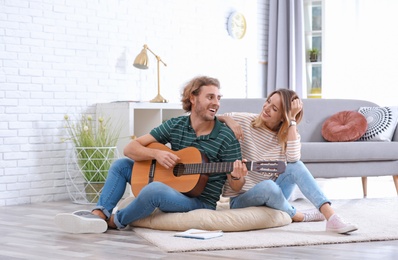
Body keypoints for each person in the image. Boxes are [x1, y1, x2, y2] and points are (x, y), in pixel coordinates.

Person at [55, 76, 247, 234]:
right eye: (210, 97)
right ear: (193, 98)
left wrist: (238, 175)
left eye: (218, 98)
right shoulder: (176, 125)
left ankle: (115, 221)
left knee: (154, 190)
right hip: (170, 185)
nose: (216, 103)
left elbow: (236, 186)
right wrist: (156, 153)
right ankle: (99, 213)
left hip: (199, 201)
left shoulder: (226, 136)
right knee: (121, 165)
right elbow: (130, 148)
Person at [218, 89, 358, 234]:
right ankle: (297, 215)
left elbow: (293, 159)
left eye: (274, 108)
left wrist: (291, 120)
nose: (266, 108)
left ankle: (332, 217)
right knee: (268, 186)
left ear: (282, 117)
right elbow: (211, 119)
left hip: (273, 196)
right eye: (268, 102)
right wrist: (228, 120)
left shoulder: (289, 134)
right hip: (241, 199)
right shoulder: (244, 120)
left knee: (295, 166)